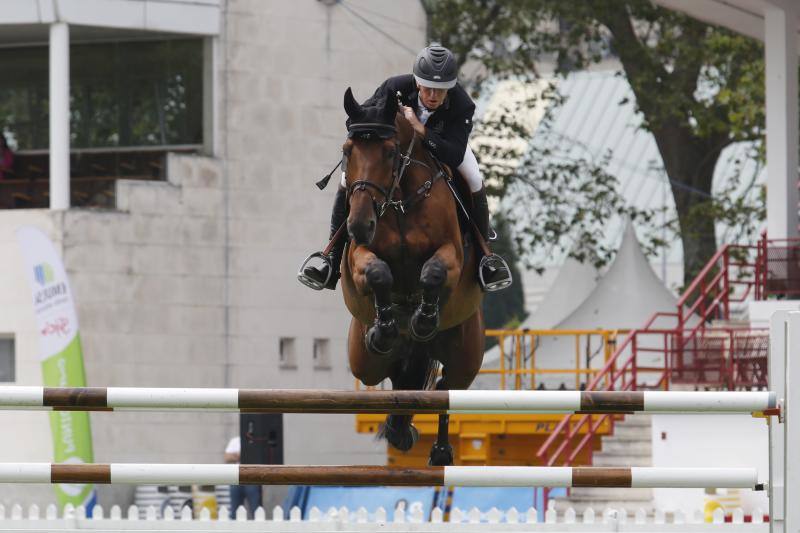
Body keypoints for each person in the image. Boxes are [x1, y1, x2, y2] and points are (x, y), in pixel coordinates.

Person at [302, 43, 512, 291]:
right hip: (395, 151)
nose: (433, 96)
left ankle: (484, 257)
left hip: (445, 148)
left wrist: (421, 129)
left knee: (474, 178)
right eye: (428, 88)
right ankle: (331, 257)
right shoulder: (395, 88)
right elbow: (360, 118)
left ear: (450, 88)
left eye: (441, 91)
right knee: (347, 180)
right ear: (417, 82)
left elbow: (454, 155)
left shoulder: (462, 104)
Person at [224, 435, 262, 519]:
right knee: (235, 512)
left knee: (255, 510)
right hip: (236, 478)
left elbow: (259, 456)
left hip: (252, 479)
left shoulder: (257, 440)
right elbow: (227, 457)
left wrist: (237, 455)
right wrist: (245, 455)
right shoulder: (235, 440)